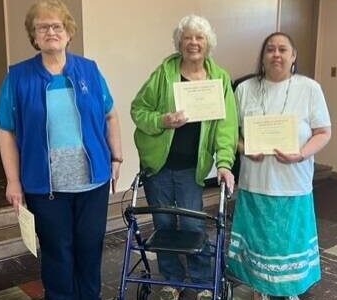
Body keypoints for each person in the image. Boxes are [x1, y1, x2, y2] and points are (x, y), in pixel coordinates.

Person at [0, 0, 122, 299]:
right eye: (43, 27)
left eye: (57, 26)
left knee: (90, 250)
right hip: (45, 185)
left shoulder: (89, 71)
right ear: (34, 36)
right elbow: (6, 130)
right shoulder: (18, 77)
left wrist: (116, 157)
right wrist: (13, 181)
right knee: (57, 253)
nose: (51, 31)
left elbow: (111, 115)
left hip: (93, 182)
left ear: (68, 33)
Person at [131, 14, 238, 300]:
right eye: (188, 37)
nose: (193, 42)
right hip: (159, 166)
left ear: (208, 44)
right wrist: (162, 120)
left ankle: (203, 282)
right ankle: (172, 281)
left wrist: (225, 163)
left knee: (192, 225)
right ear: (179, 42)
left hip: (192, 168)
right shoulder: (163, 74)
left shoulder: (219, 79)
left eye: (199, 37)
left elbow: (226, 129)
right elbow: (138, 111)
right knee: (164, 225)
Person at [227, 32, 331, 300]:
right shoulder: (244, 89)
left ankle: (290, 291)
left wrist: (301, 154)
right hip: (255, 183)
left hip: (293, 184)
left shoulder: (309, 89)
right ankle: (259, 289)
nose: (276, 54)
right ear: (262, 57)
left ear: (293, 56)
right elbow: (230, 135)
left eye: (283, 49)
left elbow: (323, 132)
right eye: (270, 49)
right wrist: (246, 148)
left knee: (288, 245)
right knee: (260, 243)